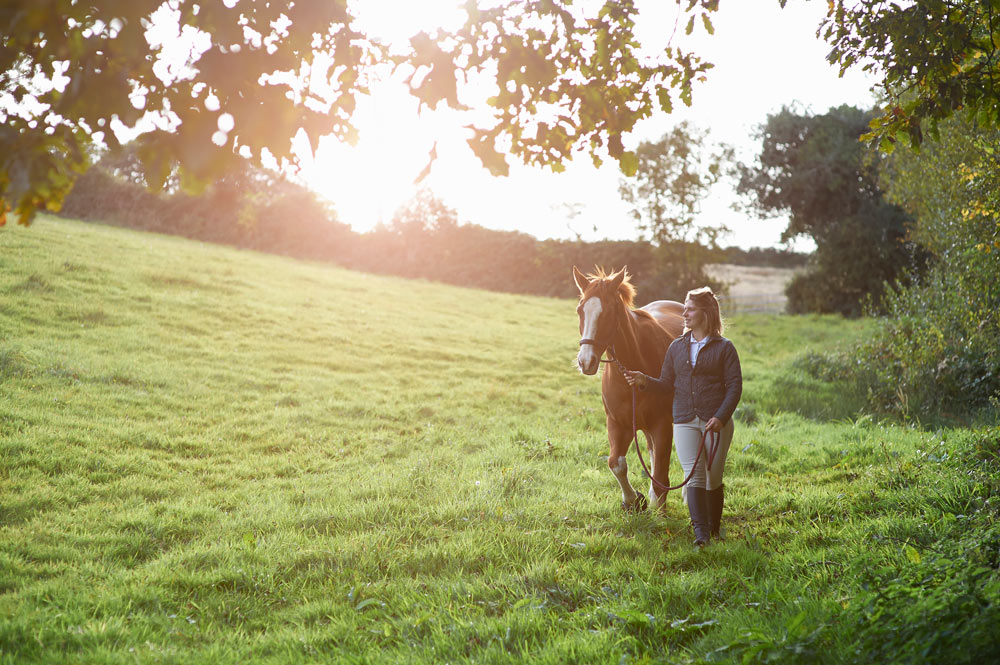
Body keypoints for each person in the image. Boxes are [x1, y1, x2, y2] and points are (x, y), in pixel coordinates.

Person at [623, 287, 742, 547]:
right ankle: (701, 535)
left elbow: (734, 387)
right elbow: (667, 384)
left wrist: (721, 417)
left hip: (716, 422)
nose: (684, 313)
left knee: (713, 477)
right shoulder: (677, 347)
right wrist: (644, 381)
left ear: (706, 313)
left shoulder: (725, 348)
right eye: (684, 308)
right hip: (685, 420)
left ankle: (714, 527)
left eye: (690, 309)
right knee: (694, 475)